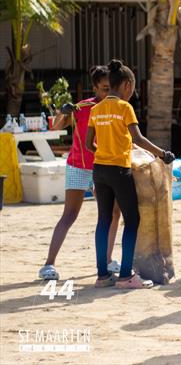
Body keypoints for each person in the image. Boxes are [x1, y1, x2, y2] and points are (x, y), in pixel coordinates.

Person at [85, 60, 174, 289]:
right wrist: (163, 154)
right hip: (119, 170)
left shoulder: (97, 109)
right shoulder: (125, 108)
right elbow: (138, 139)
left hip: (99, 170)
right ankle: (126, 276)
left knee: (103, 220)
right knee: (132, 220)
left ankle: (102, 276)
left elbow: (88, 144)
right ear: (126, 85)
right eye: (132, 87)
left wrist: (104, 153)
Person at [38, 66, 122, 281]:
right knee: (70, 215)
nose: (108, 92)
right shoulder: (82, 107)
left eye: (111, 87)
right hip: (79, 165)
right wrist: (63, 112)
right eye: (104, 88)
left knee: (113, 213)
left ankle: (107, 259)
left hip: (104, 166)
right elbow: (56, 127)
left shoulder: (117, 107)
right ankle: (48, 264)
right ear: (94, 88)